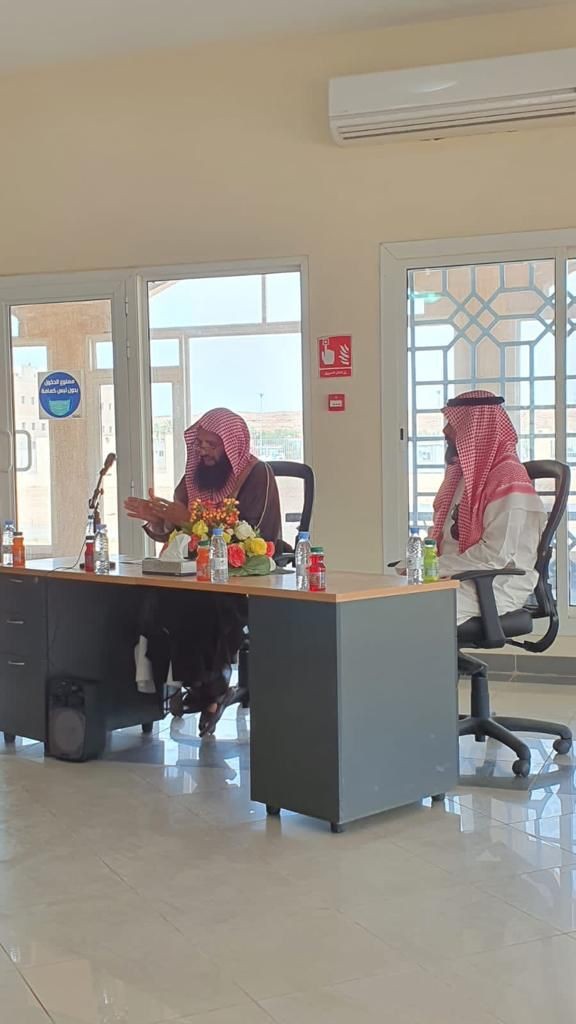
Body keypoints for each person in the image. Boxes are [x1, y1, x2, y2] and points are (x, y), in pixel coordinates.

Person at [125, 408, 281, 735]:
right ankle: (185, 687)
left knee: (203, 604)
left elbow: (253, 536)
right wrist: (157, 520)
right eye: (199, 444)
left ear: (232, 446)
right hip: (192, 574)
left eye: (212, 444)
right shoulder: (195, 476)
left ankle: (210, 687)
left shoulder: (257, 475)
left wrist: (187, 520)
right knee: (155, 600)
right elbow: (176, 532)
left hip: (242, 579)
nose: (204, 451)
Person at [430, 390, 546, 625]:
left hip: (494, 583)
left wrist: (435, 568)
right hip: (455, 575)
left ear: (475, 429)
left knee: (416, 611)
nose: (446, 431)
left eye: (453, 424)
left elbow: (494, 556)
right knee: (390, 598)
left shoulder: (508, 477)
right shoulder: (459, 477)